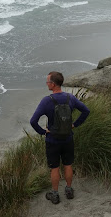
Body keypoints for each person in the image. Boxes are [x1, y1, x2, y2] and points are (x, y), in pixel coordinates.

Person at [30, 71, 90, 204]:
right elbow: (86, 111)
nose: (46, 84)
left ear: (52, 84)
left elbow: (33, 121)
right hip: (68, 138)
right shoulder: (70, 98)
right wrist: (74, 124)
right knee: (68, 164)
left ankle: (55, 194)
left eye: (47, 82)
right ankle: (69, 190)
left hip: (52, 140)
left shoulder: (47, 101)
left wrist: (43, 132)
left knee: (55, 168)